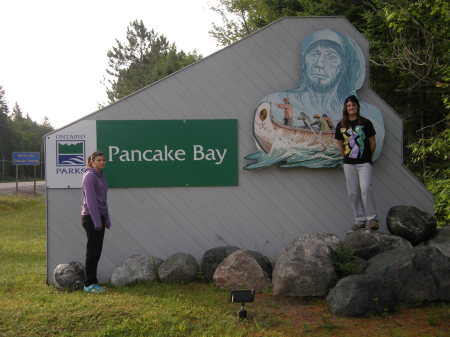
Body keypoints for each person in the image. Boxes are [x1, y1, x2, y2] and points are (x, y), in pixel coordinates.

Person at [335, 95, 379, 230]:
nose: (351, 107)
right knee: (353, 192)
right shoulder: (341, 125)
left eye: (353, 105)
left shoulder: (366, 123)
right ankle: (360, 220)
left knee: (365, 188)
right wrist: (347, 158)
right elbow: (340, 145)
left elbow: (372, 143)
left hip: (364, 162)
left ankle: (372, 219)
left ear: (358, 107)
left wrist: (366, 156)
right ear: (345, 108)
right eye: (349, 105)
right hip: (349, 163)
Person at [81, 150, 112, 292]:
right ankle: (89, 284)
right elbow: (91, 201)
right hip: (91, 218)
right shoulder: (89, 176)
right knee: (93, 251)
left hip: (99, 217)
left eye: (104, 160)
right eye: (99, 160)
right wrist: (97, 222)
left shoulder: (101, 176)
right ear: (92, 162)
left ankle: (93, 282)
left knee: (97, 250)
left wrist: (106, 218)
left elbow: (103, 200)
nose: (102, 162)